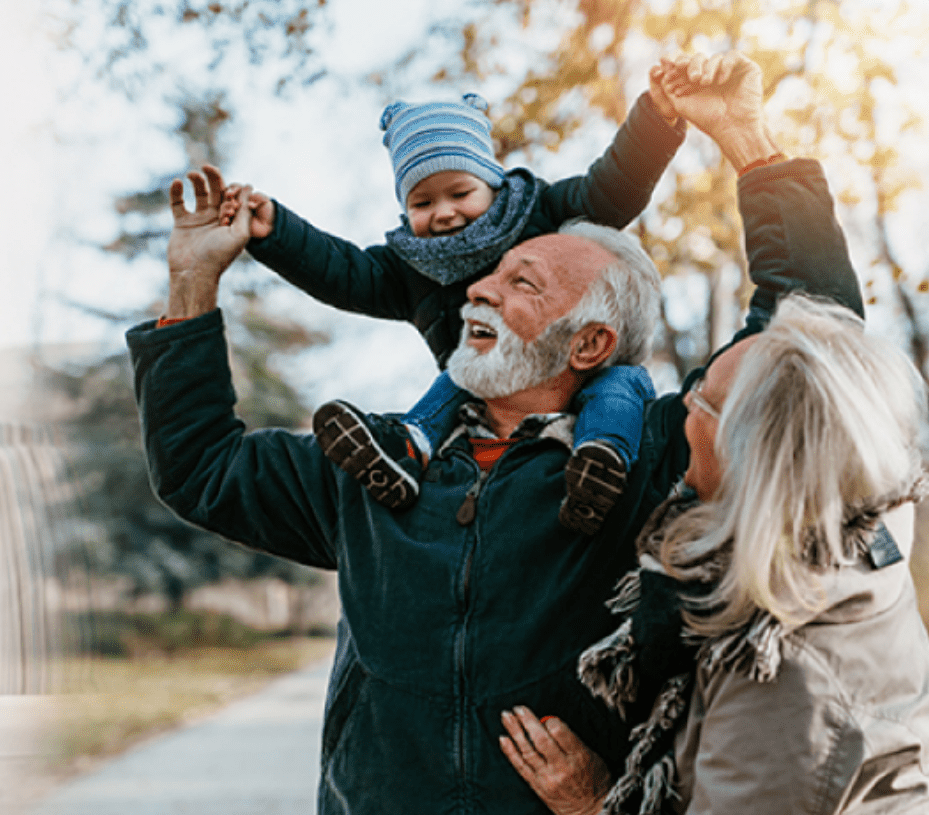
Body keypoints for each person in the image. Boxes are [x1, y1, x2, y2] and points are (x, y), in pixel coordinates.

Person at [130, 52, 861, 815]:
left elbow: (810, 335)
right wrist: (192, 284)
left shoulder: (653, 458)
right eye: (485, 280)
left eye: (522, 284)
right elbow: (200, 467)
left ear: (591, 342)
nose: (474, 287)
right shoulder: (379, 463)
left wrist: (750, 142)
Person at [498, 294, 929, 815]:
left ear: (749, 453)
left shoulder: (787, 663)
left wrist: (591, 810)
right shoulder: (857, 547)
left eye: (701, 400)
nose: (683, 405)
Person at [215, 75, 688, 534]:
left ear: (492, 182)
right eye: (421, 203)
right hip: (485, 393)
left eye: (461, 193)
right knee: (456, 377)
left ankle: (601, 458)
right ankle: (405, 451)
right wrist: (275, 231)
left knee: (622, 384)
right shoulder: (410, 267)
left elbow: (613, 188)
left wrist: (656, 120)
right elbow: (341, 271)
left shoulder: (540, 214)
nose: (443, 212)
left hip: (577, 365)